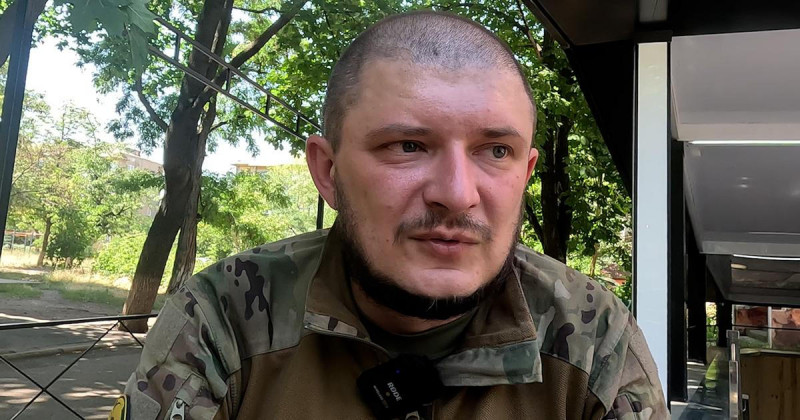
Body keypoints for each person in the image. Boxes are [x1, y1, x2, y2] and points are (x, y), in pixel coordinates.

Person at [112, 10, 667, 420]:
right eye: (407, 146)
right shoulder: (224, 318)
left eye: (496, 151)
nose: (457, 194)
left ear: (525, 173)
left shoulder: (593, 337)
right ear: (328, 171)